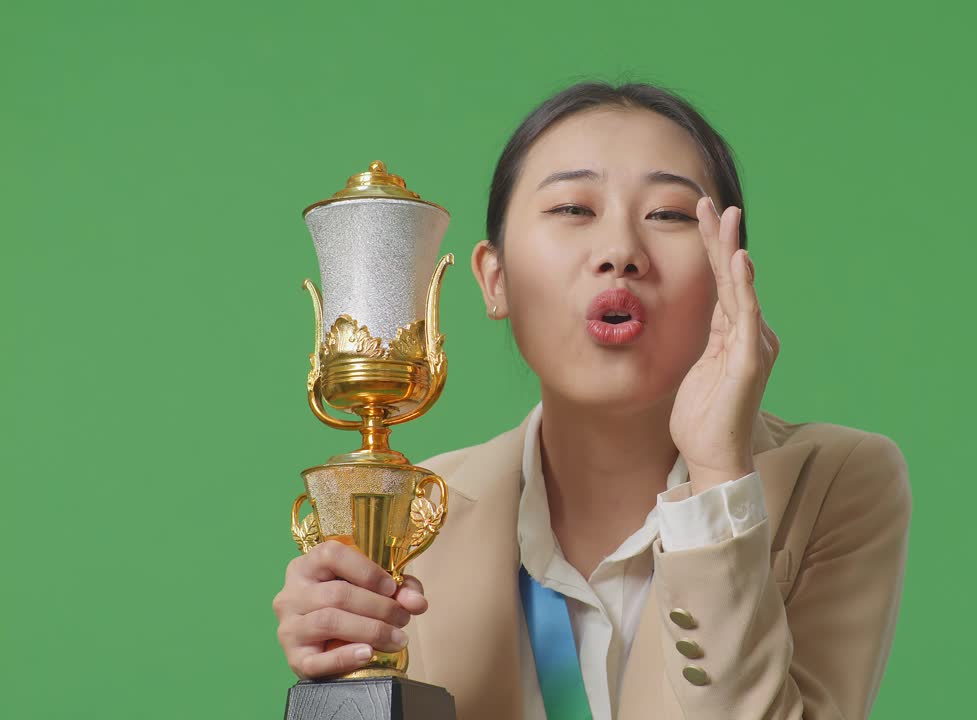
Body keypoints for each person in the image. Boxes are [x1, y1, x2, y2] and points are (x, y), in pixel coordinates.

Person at [273, 81, 912, 720]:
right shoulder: (410, 518)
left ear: (730, 274)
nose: (620, 254)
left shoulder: (835, 482)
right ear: (494, 280)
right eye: (573, 210)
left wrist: (719, 476)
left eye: (669, 215)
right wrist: (342, 683)